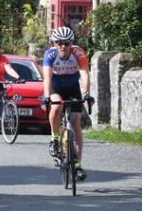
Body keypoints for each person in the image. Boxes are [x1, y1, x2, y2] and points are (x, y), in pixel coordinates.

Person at [42, 26, 94, 182]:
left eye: (66, 43)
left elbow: (84, 74)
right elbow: (47, 79)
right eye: (59, 43)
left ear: (71, 43)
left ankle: (77, 164)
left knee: (76, 122)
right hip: (55, 86)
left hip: (72, 87)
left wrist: (86, 94)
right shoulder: (50, 54)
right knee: (56, 106)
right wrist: (46, 97)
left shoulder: (78, 53)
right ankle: (54, 137)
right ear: (55, 43)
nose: (63, 46)